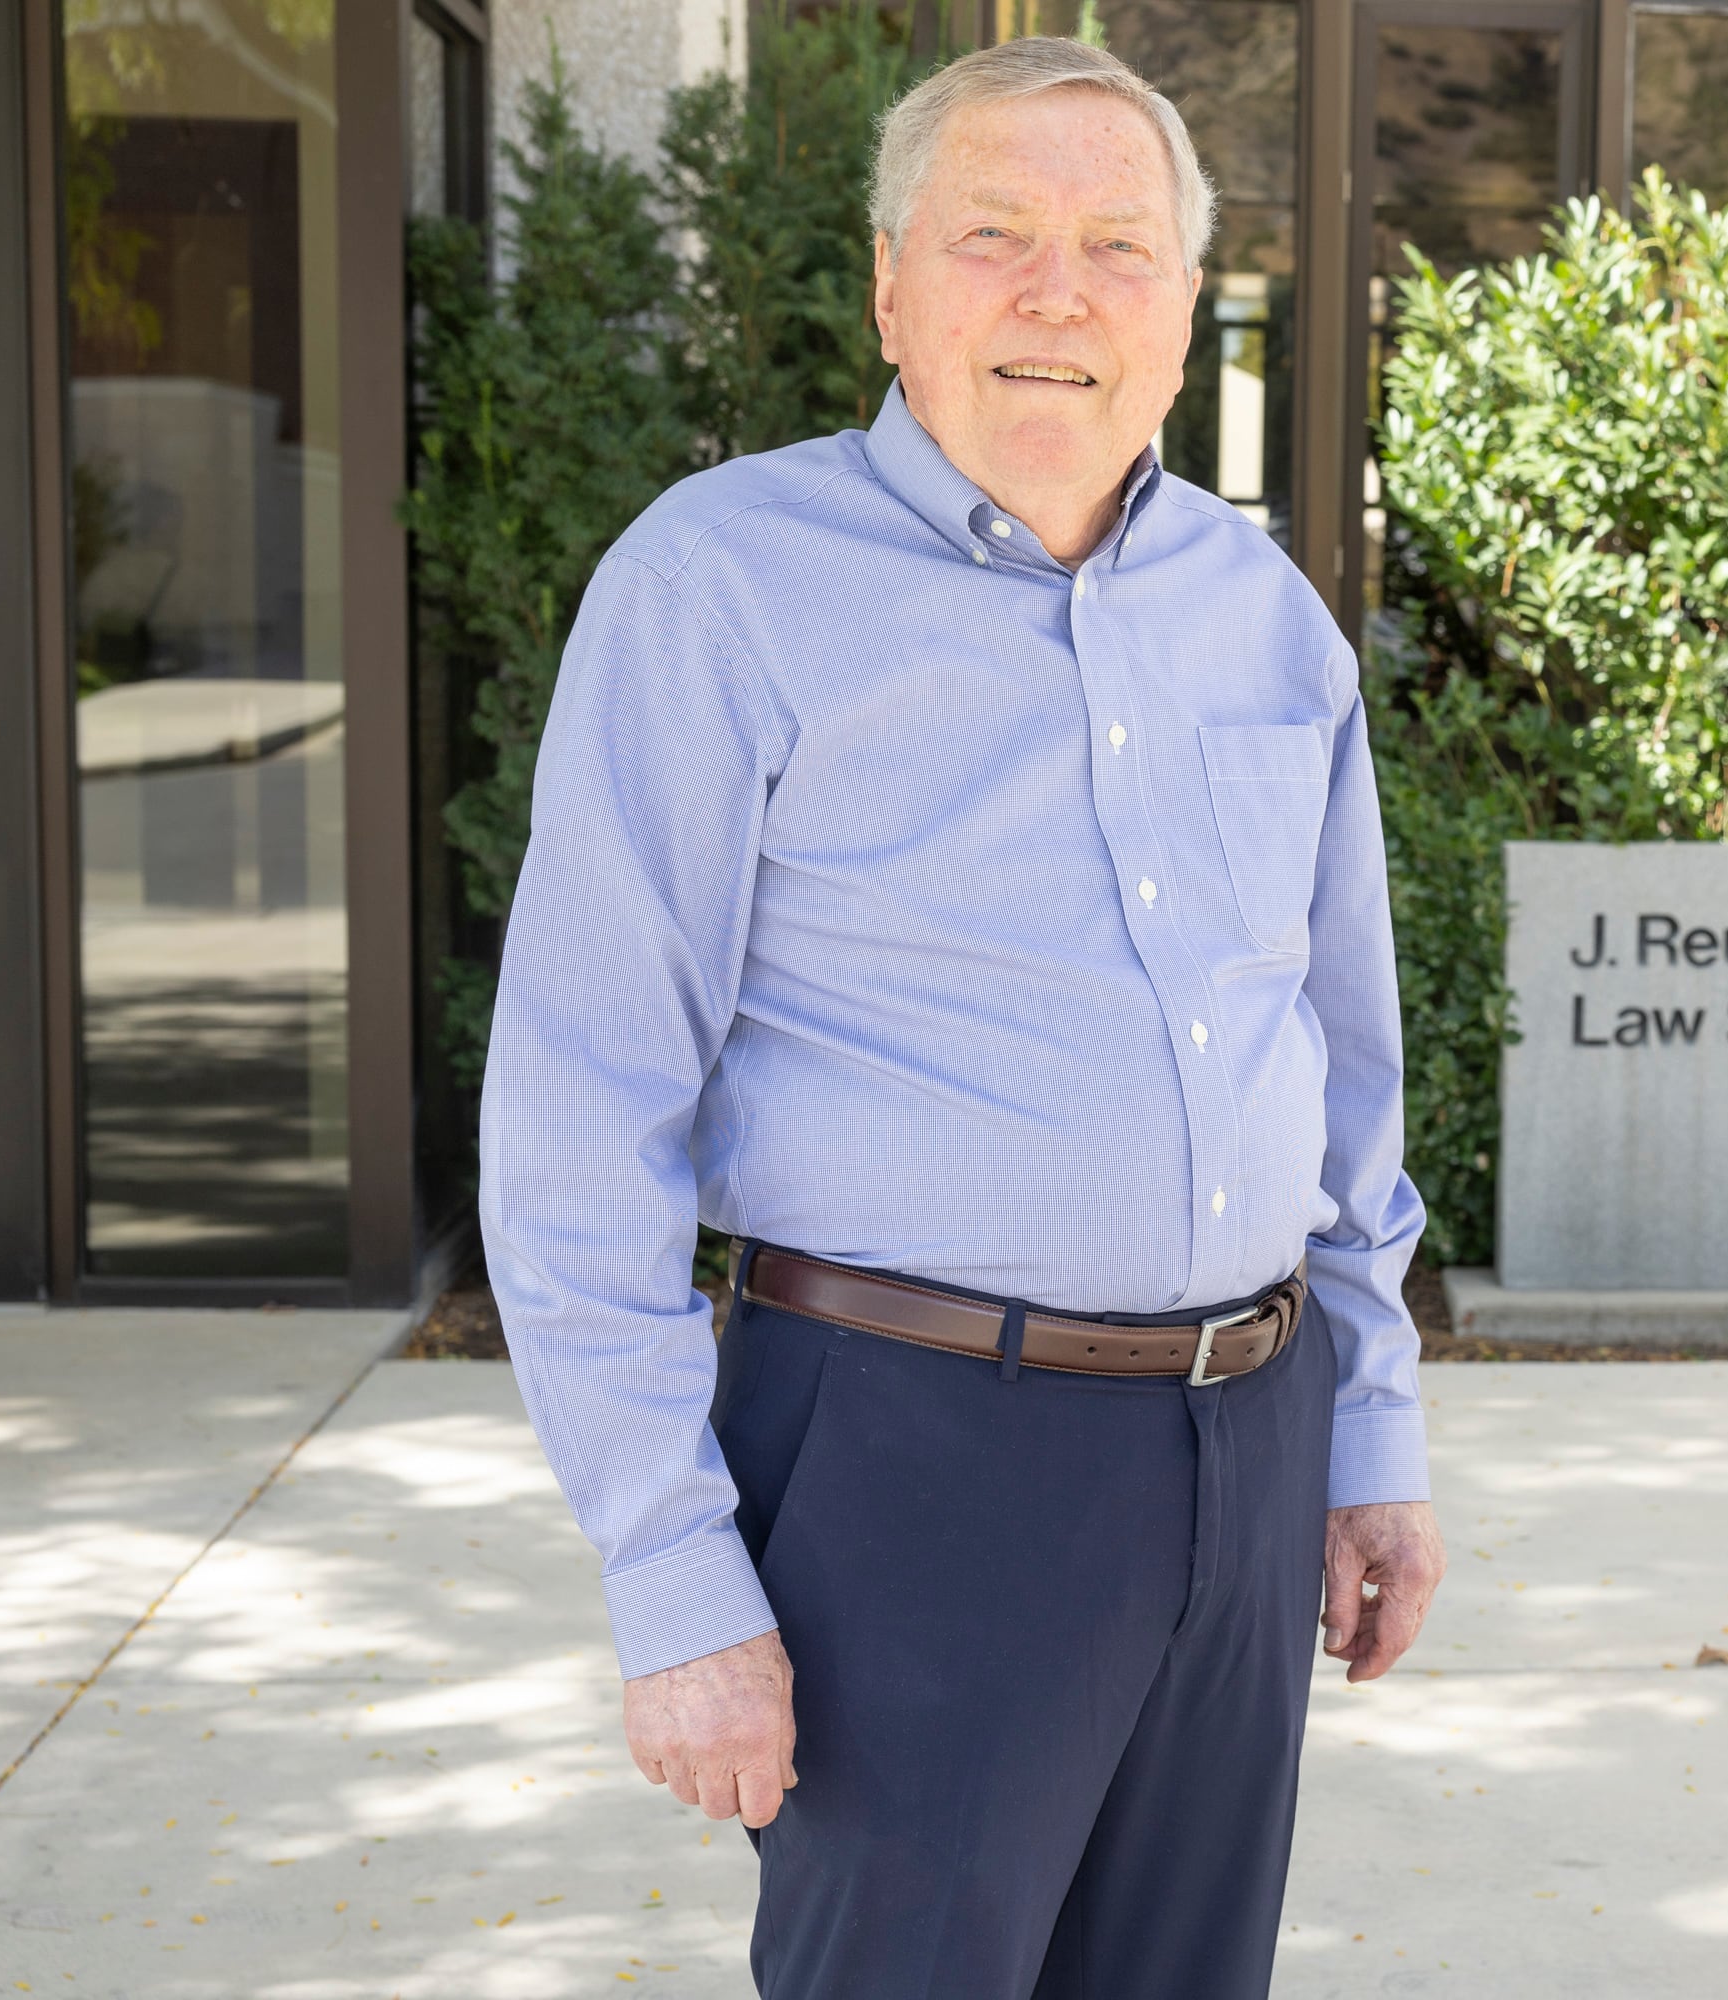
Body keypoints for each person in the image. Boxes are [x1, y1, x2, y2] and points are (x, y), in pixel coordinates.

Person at [476, 38, 1444, 1998]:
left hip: (1245, 1455)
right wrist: (674, 1578)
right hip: (908, 1456)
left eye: (1116, 245)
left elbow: (1337, 1074)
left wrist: (1372, 1430)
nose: (1057, 293)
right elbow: (587, 1106)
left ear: (1187, 305)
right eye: (994, 236)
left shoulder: (1265, 619)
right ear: (892, 285)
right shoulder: (719, 588)